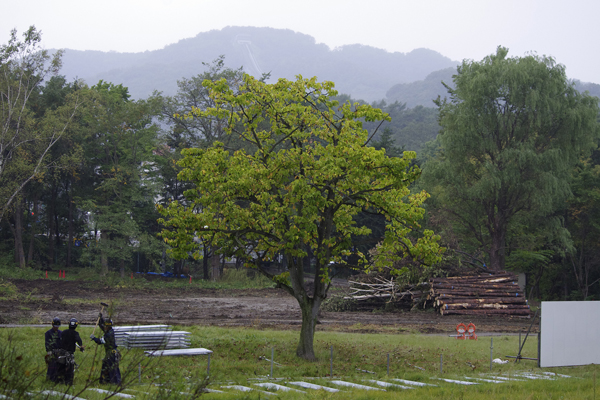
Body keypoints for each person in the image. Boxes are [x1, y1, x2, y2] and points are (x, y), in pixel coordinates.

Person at [90, 314, 121, 385]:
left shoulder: (108, 335)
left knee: (112, 368)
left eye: (105, 326)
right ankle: (106, 381)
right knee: (106, 367)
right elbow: (102, 327)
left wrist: (94, 338)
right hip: (110, 353)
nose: (104, 327)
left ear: (108, 326)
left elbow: (100, 342)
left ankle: (115, 382)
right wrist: (101, 319)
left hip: (111, 354)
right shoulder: (110, 330)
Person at [56, 318, 84, 385]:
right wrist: (81, 346)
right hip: (69, 354)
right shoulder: (75, 333)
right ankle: (68, 382)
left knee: (60, 367)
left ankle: (59, 380)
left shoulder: (64, 332)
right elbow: (78, 340)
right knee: (70, 369)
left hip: (61, 353)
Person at [44, 317, 62, 382]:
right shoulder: (48, 333)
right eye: (55, 326)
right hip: (52, 352)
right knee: (52, 365)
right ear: (52, 325)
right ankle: (50, 378)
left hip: (60, 352)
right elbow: (47, 343)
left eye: (57, 326)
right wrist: (49, 351)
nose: (56, 327)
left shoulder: (61, 333)